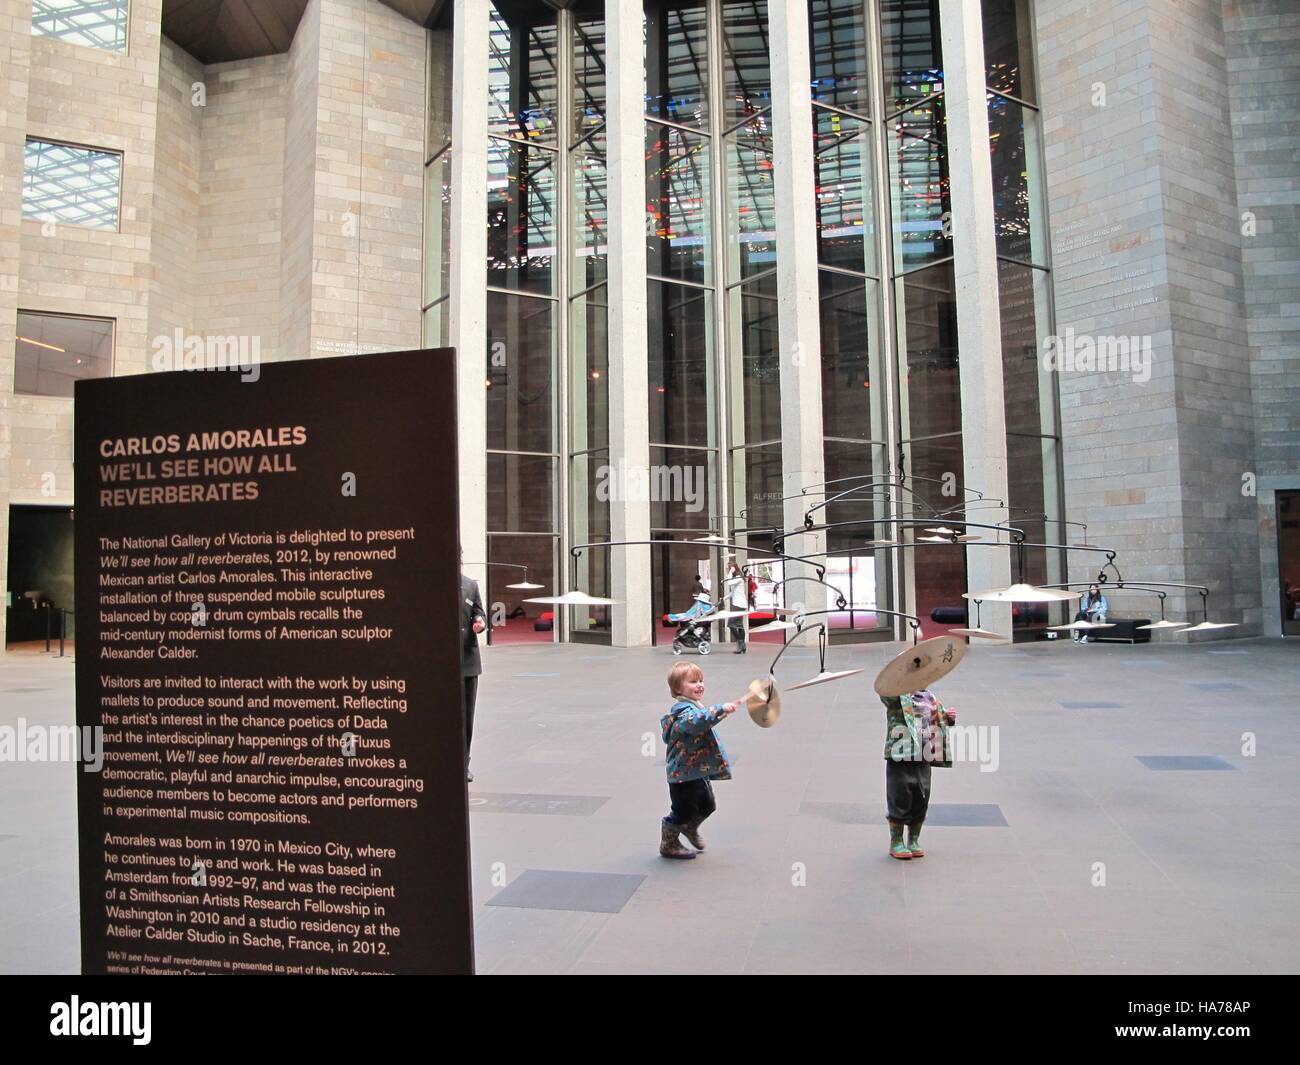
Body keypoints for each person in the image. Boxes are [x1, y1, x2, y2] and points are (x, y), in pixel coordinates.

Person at [658, 662, 742, 860]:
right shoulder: (684, 712)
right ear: (678, 689)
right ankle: (668, 842)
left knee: (708, 805)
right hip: (682, 775)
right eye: (693, 681)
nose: (700, 685)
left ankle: (689, 827)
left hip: (695, 771)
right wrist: (720, 709)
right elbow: (698, 721)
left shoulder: (693, 707)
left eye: (701, 680)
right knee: (683, 810)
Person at [881, 688, 956, 860]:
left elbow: (940, 717)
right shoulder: (897, 696)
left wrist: (949, 717)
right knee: (899, 796)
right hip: (901, 756)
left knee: (922, 797)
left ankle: (914, 839)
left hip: (924, 756)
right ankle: (897, 841)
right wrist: (894, 682)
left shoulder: (930, 698)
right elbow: (885, 693)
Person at [460, 560, 487, 782]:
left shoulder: (470, 585)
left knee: (467, 715)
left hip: (468, 661)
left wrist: (480, 622)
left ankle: (463, 763)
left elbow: (480, 613)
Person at [722, 561, 748, 654]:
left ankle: (741, 644)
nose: (727, 570)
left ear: (733, 569)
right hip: (739, 604)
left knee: (731, 624)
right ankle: (742, 646)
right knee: (740, 625)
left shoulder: (738, 578)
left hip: (739, 605)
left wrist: (730, 572)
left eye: (728, 568)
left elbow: (728, 583)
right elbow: (732, 593)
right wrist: (723, 599)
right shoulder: (736, 578)